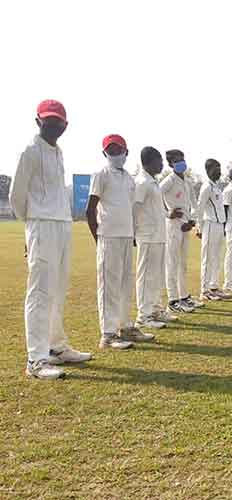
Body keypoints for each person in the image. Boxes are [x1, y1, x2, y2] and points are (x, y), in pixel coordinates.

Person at [12, 99, 91, 379]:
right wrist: (31, 226)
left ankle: (56, 347)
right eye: (49, 120)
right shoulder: (30, 151)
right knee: (40, 292)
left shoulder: (58, 151)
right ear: (38, 121)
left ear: (65, 125)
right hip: (41, 225)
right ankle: (36, 359)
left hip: (61, 224)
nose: (54, 126)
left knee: (57, 289)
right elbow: (16, 196)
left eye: (58, 121)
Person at [87, 134, 151, 349]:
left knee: (125, 284)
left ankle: (126, 327)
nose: (115, 154)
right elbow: (90, 209)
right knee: (108, 286)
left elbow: (129, 209)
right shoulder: (101, 174)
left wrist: (132, 233)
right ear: (105, 153)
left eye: (118, 150)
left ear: (126, 152)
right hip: (108, 236)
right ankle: (108, 334)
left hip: (126, 236)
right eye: (111, 151)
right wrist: (98, 238)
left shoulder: (129, 178)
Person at [133, 146, 172, 331]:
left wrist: (168, 214)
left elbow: (156, 209)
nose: (162, 164)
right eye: (159, 161)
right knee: (146, 276)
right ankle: (143, 315)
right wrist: (134, 232)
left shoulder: (153, 182)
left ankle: (156, 309)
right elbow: (135, 207)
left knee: (156, 276)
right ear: (148, 162)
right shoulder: (142, 182)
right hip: (147, 235)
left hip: (158, 235)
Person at [160, 150, 201, 314]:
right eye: (177, 161)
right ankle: (172, 300)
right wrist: (167, 213)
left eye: (182, 159)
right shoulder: (168, 181)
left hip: (185, 225)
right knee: (172, 263)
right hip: (173, 225)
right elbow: (155, 196)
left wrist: (193, 220)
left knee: (183, 263)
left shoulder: (187, 181)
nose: (181, 163)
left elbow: (193, 203)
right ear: (170, 164)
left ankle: (184, 297)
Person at [197, 158, 230, 301]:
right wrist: (199, 227)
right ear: (208, 170)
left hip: (219, 225)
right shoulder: (207, 187)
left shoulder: (217, 187)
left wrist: (223, 225)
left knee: (216, 257)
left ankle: (214, 287)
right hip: (209, 224)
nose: (219, 171)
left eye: (220, 168)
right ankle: (204, 291)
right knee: (208, 258)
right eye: (216, 168)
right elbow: (199, 207)